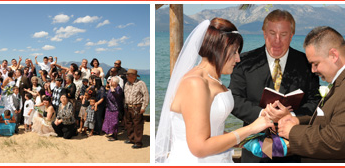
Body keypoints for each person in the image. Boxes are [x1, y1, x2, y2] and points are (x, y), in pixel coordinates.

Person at [156, 18, 274, 163]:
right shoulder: (195, 83)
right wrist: (251, 128)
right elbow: (199, 147)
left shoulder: (213, 80)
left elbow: (213, 131)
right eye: (234, 52)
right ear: (218, 49)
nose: (238, 59)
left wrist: (248, 142)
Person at [271, 26, 345, 162]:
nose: (313, 70)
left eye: (315, 63)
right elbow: (333, 121)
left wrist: (292, 131)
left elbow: (338, 142)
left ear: (333, 55)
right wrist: (297, 121)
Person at [228, 9, 321, 163]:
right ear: (264, 33)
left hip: (294, 153)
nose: (277, 40)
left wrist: (291, 116)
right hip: (255, 154)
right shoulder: (244, 62)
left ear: (291, 35)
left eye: (283, 35)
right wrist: (262, 115)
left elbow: (315, 101)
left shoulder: (306, 63)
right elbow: (234, 99)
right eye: (272, 33)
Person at [123, 69, 148, 149]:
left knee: (138, 125)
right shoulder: (127, 84)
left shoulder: (141, 84)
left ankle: (138, 142)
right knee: (129, 124)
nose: (126, 77)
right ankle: (131, 139)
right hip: (128, 107)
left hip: (137, 107)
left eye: (128, 75)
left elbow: (146, 96)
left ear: (133, 76)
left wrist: (143, 107)